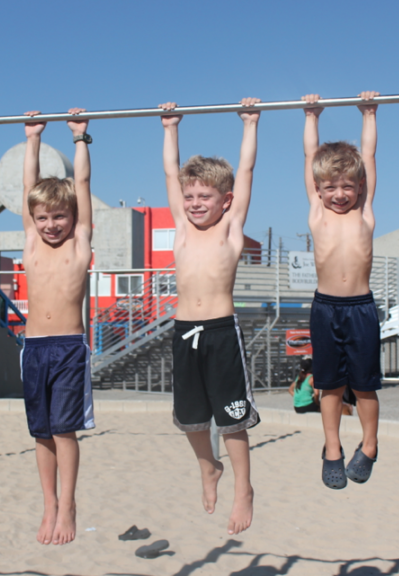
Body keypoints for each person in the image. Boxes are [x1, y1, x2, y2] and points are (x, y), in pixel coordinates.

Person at [158, 97, 261, 535]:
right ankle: (208, 467)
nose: (197, 203)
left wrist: (250, 124)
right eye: (191, 196)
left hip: (220, 330)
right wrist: (169, 128)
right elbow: (170, 171)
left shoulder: (230, 229)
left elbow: (248, 170)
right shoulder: (182, 228)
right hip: (183, 330)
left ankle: (244, 489)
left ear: (226, 200)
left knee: (232, 417)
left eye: (206, 196)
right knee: (190, 416)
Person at [20, 108, 95, 546]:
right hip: (33, 346)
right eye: (43, 218)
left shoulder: (79, 243)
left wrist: (79, 140)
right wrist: (32, 139)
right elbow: (27, 189)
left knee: (64, 429)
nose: (51, 225)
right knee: (41, 431)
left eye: (59, 217)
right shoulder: (32, 241)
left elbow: (81, 186)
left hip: (68, 345)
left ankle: (67, 504)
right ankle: (47, 503)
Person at [301, 92, 382, 490]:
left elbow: (369, 154)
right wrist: (312, 115)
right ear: (318, 188)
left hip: (361, 308)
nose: (339, 194)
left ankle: (369, 445)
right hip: (325, 307)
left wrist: (368, 114)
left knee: (364, 384)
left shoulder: (363, 212)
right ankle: (332, 447)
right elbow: (308, 157)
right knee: (327, 383)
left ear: (360, 185)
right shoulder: (317, 212)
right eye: (330, 186)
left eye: (348, 186)